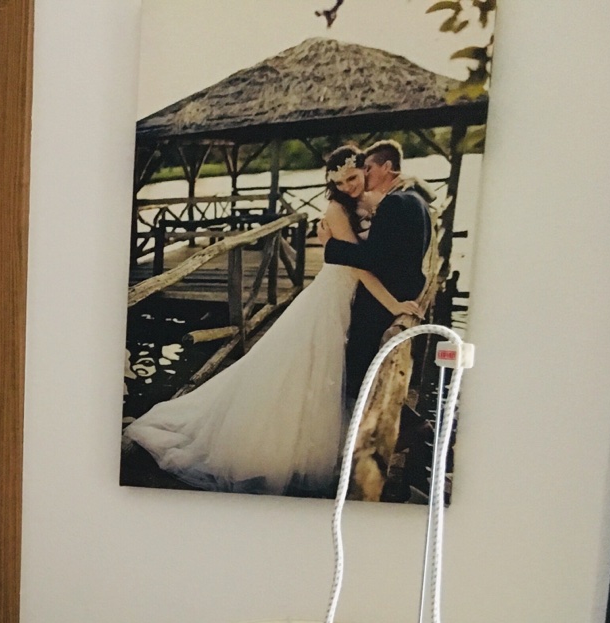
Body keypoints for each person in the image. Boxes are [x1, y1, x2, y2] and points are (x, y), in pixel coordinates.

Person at [123, 145, 425, 496]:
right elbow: (359, 267)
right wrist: (393, 303)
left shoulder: (372, 203)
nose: (348, 186)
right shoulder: (337, 209)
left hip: (350, 300)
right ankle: (274, 448)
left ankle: (314, 443)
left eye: (353, 177)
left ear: (365, 170)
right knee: (304, 369)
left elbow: (377, 251)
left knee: (323, 373)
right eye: (340, 182)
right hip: (332, 297)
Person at [319, 139, 433, 406]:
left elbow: (373, 258)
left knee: (358, 367)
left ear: (386, 167)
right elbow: (372, 259)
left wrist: (330, 246)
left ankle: (363, 415)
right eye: (340, 182)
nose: (351, 184)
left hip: (382, 290)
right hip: (364, 285)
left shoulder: (392, 203)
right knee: (346, 363)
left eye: (363, 171)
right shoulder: (409, 198)